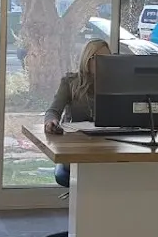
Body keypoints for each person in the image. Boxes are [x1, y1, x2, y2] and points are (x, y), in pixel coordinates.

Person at [43, 38, 111, 187]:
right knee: (93, 171)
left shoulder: (115, 84)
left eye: (106, 59)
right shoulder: (70, 82)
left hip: (106, 144)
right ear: (87, 59)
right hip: (76, 145)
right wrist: (50, 121)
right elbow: (53, 110)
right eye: (97, 58)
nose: (102, 63)